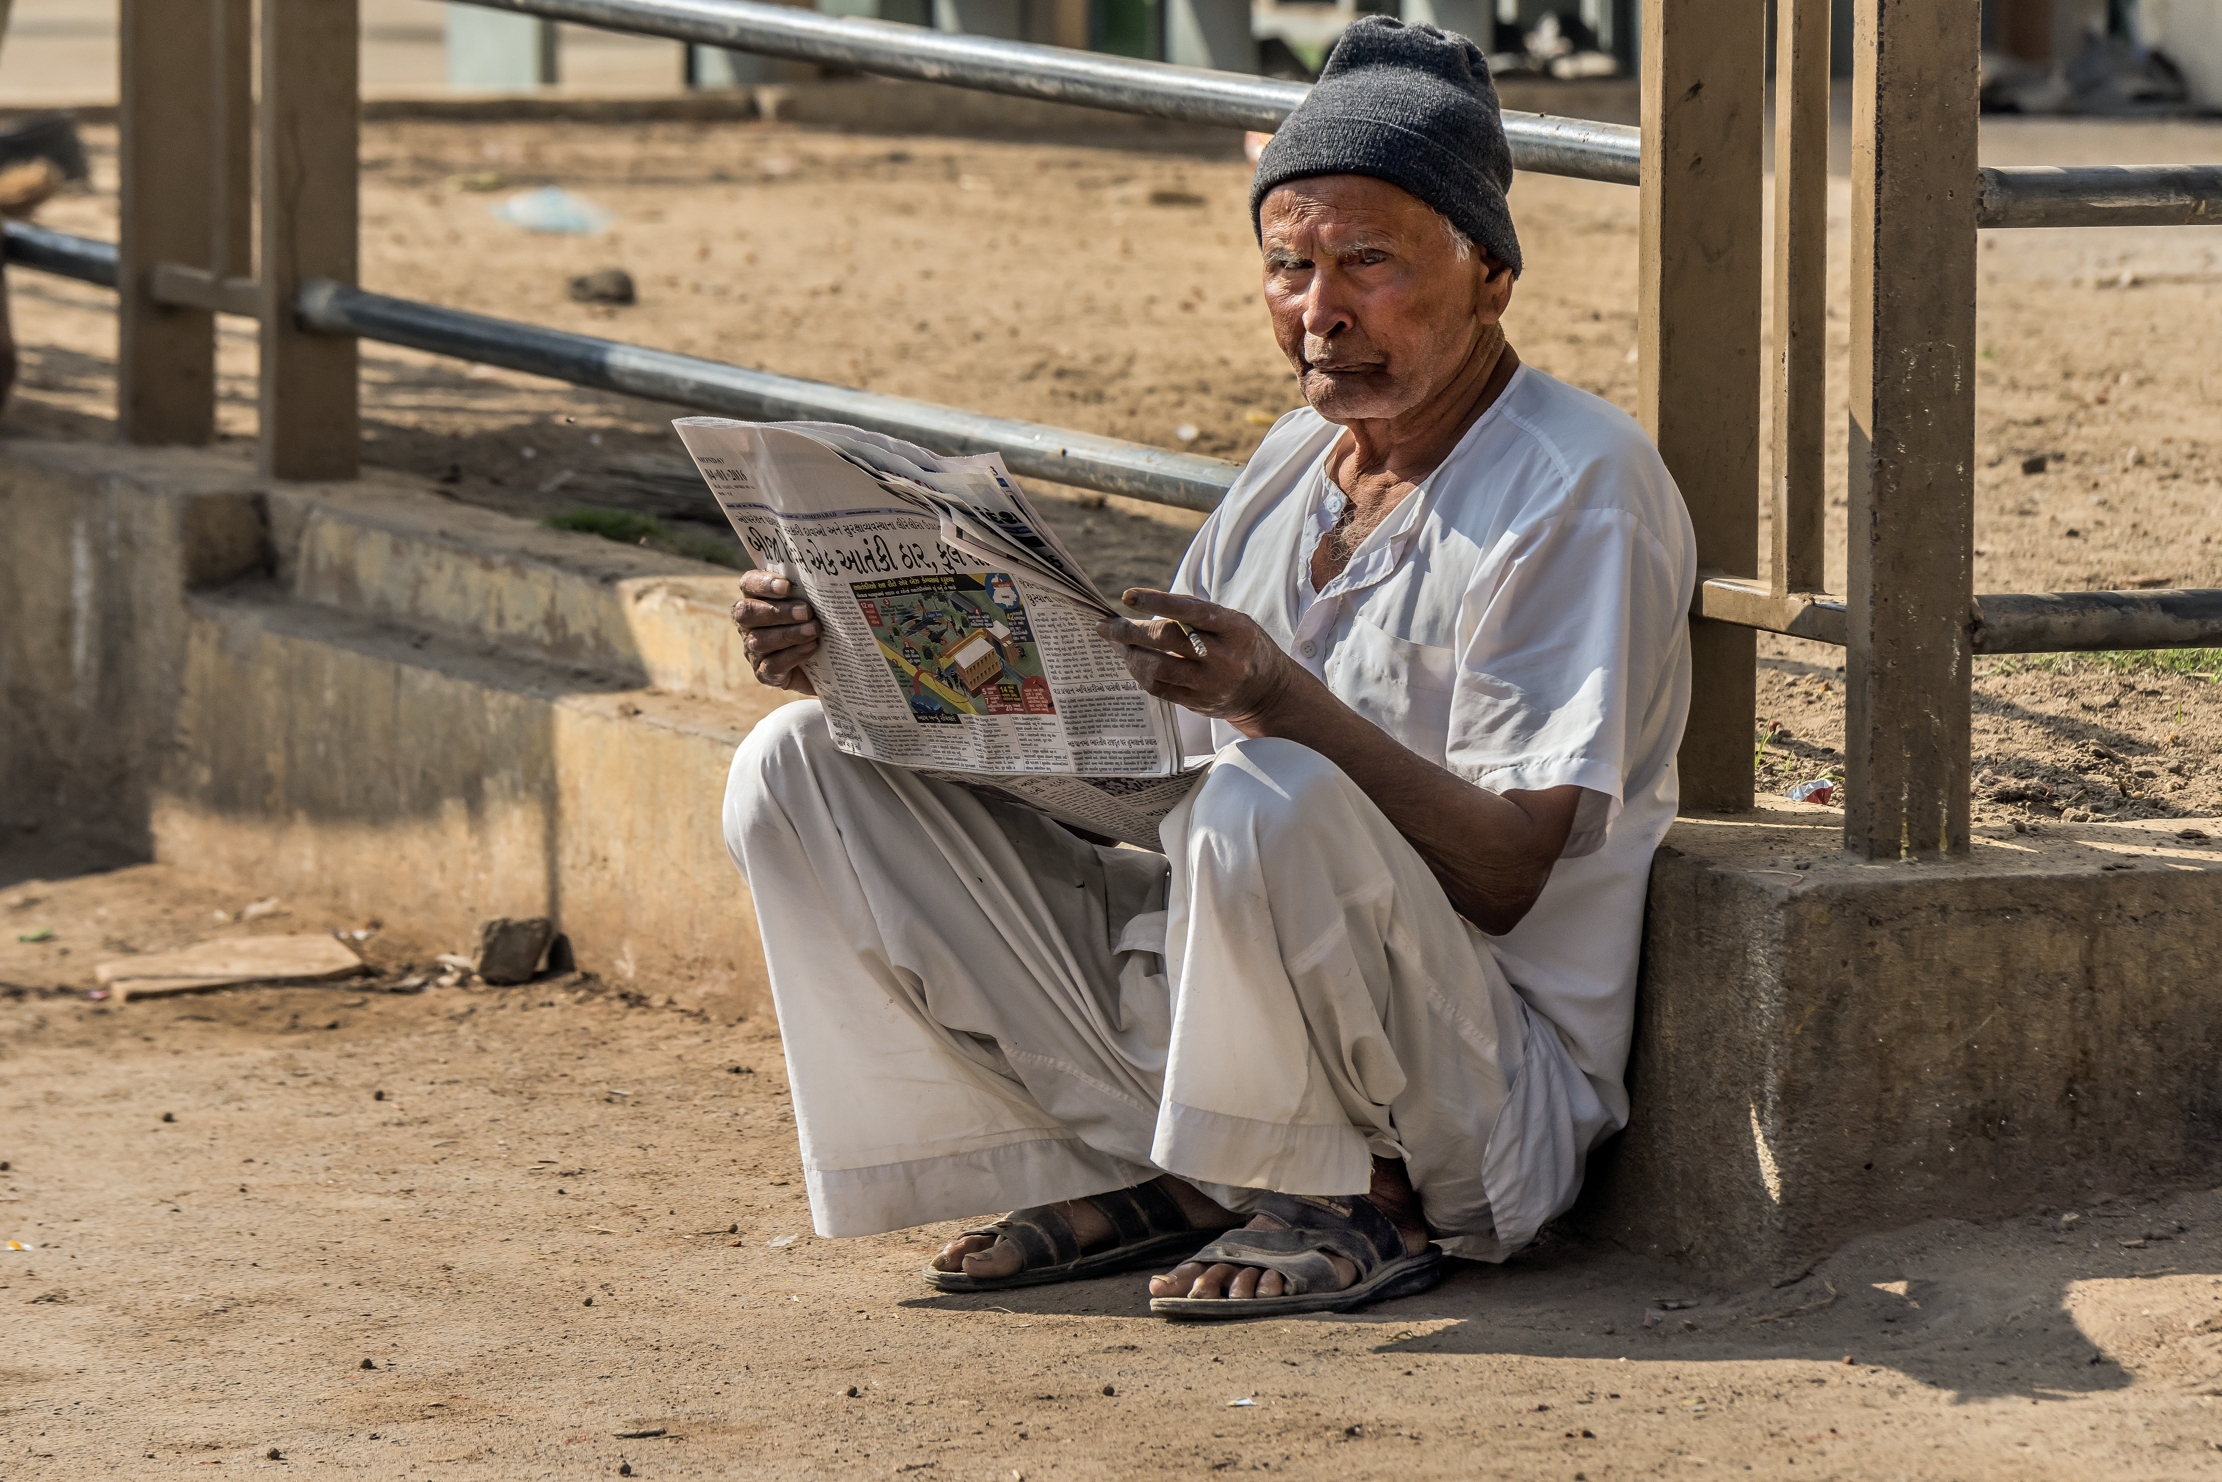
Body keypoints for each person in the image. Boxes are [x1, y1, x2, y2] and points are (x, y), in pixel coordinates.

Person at [723, 15, 1695, 1319]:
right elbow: (1148, 781)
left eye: (1368, 263)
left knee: (1270, 789)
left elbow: (1510, 875)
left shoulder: (1577, 482)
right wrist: (866, 673)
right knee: (798, 769)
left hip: (1474, 1083)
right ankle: (1184, 1167)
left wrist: (1278, 700)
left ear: (1491, 278)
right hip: (1214, 1018)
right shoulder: (1290, 463)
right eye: (1289, 266)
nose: (1320, 311)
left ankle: (1355, 1193)